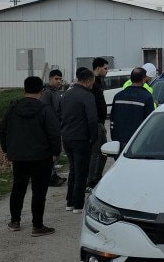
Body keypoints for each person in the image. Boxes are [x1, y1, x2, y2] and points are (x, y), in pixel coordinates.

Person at [0, 76, 61, 236]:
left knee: (18, 188)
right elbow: (54, 133)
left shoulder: (13, 108)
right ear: (41, 90)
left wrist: (7, 150)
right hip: (41, 157)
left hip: (18, 156)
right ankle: (37, 226)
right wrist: (56, 152)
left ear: (24, 89)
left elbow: (3, 130)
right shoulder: (45, 109)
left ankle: (15, 221)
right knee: (39, 191)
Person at [59, 67, 100, 213]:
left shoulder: (66, 94)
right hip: (81, 138)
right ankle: (78, 204)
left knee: (73, 170)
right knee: (81, 171)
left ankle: (70, 202)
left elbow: (59, 115)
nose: (93, 85)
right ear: (88, 81)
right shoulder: (87, 96)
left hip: (67, 137)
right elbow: (92, 119)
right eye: (92, 82)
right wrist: (93, 137)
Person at [110, 67, 154, 147]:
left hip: (119, 141)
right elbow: (149, 122)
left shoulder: (118, 96)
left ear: (131, 78)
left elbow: (112, 119)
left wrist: (114, 137)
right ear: (144, 79)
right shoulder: (147, 97)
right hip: (138, 142)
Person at [87, 57, 110, 189]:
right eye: (105, 68)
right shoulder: (92, 83)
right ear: (98, 68)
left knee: (103, 152)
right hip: (95, 123)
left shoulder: (99, 81)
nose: (107, 71)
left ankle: (97, 177)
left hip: (100, 123)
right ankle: (90, 181)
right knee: (95, 153)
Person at [41, 69, 66, 186]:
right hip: (50, 128)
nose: (59, 81)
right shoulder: (47, 92)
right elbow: (46, 111)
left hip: (57, 126)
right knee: (51, 153)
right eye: (56, 79)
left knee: (56, 153)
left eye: (60, 79)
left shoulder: (56, 92)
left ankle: (53, 174)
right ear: (50, 79)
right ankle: (49, 177)